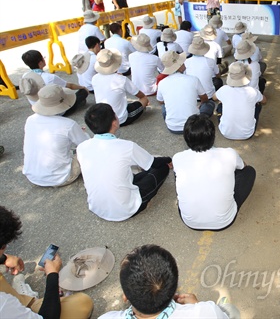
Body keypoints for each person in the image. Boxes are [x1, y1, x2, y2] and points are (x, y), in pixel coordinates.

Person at [78, 103, 172, 221]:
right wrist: (169, 159)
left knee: (127, 174)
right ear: (114, 122)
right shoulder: (127, 146)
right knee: (161, 167)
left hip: (97, 207)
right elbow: (153, 163)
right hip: (126, 209)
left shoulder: (81, 147)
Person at [0, 206, 93, 319]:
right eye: (4, 246)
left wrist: (3, 258)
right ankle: (28, 303)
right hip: (11, 309)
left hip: (10, 307)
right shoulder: (3, 303)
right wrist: (52, 275)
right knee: (82, 303)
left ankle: (25, 300)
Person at [98, 245, 228, 318]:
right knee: (228, 311)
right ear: (175, 288)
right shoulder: (205, 312)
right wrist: (197, 305)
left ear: (125, 296)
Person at [174, 115, 256, 230]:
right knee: (249, 172)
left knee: (178, 173)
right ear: (213, 136)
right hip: (224, 221)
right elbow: (244, 167)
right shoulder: (229, 154)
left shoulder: (177, 158)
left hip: (190, 222)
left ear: (186, 138)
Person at [23, 85, 89, 187]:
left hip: (32, 176)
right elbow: (86, 144)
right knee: (86, 148)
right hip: (61, 177)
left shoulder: (30, 120)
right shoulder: (68, 124)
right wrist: (83, 133)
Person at [92, 48, 149, 126]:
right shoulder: (121, 79)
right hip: (120, 119)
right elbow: (140, 95)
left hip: (103, 118)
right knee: (144, 100)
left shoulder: (95, 78)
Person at [20, 50, 88, 113]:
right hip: (56, 111)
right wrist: (83, 87)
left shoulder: (25, 76)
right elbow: (70, 86)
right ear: (40, 63)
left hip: (38, 109)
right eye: (43, 58)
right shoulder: (49, 77)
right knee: (82, 92)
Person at [157, 51, 208, 134]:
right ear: (179, 66)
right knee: (209, 105)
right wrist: (199, 106)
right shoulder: (193, 79)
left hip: (172, 127)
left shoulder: (162, 83)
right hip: (193, 126)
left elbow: (160, 101)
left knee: (164, 107)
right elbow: (204, 98)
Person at [214, 62, 266, 140]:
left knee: (220, 105)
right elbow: (264, 101)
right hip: (247, 134)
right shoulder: (252, 91)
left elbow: (214, 98)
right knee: (258, 104)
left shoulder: (224, 89)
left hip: (226, 133)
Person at [186, 37, 220, 114]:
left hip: (192, 96)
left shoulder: (186, 62)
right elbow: (218, 74)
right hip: (209, 96)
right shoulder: (210, 61)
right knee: (218, 81)